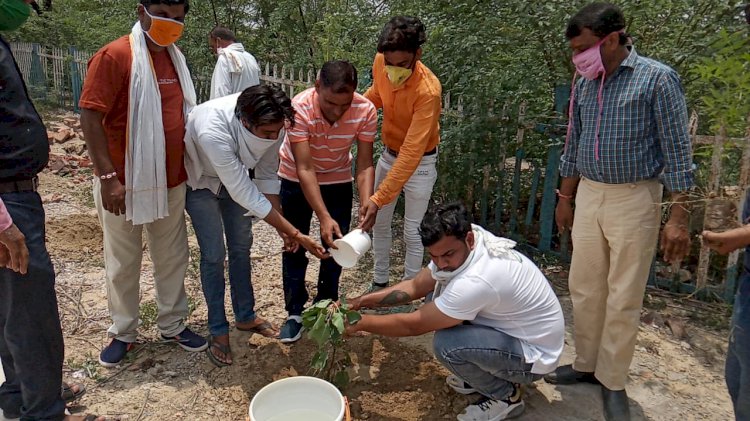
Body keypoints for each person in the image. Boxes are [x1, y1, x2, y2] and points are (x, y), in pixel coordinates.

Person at [545, 3, 693, 420]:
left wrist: (678, 216)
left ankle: (613, 381)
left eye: (584, 47)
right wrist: (566, 198)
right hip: (590, 193)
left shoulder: (656, 79)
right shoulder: (586, 82)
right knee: (585, 286)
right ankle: (587, 365)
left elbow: (678, 151)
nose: (578, 57)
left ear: (611, 39)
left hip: (635, 196)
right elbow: (573, 144)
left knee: (624, 294)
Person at [346, 202, 565, 421]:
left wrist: (360, 323)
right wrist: (361, 302)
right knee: (436, 298)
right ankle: (482, 372)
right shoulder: (467, 240)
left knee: (448, 346)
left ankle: (507, 397)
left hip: (533, 358)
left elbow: (413, 325)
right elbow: (416, 287)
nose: (441, 264)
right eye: (434, 257)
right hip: (515, 334)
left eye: (447, 255)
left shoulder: (478, 279)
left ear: (468, 240)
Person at [80, 0, 207, 368]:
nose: (171, 24)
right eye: (164, 14)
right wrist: (107, 178)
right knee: (122, 260)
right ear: (142, 11)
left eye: (179, 18)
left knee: (173, 257)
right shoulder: (116, 56)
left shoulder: (174, 58)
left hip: (170, 179)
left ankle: (172, 324)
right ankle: (123, 331)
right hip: (122, 183)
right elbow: (90, 114)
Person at [0, 1, 111, 420]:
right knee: (32, 313)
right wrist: (3, 221)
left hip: (14, 194)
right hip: (7, 201)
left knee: (10, 308)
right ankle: (44, 411)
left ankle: (21, 394)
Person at [183, 84, 327, 366]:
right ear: (244, 121)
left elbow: (265, 177)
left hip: (237, 182)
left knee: (241, 247)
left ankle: (245, 316)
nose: (273, 138)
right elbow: (244, 192)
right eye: (266, 134)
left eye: (277, 133)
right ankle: (217, 329)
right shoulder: (213, 128)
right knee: (213, 255)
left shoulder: (275, 124)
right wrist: (295, 232)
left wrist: (281, 229)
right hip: (200, 182)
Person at [276, 60, 378, 343]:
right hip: (295, 179)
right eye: (330, 103)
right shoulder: (298, 108)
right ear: (317, 86)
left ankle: (325, 305)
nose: (337, 112)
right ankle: (294, 312)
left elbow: (365, 164)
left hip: (338, 179)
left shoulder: (365, 110)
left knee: (337, 246)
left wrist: (368, 200)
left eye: (344, 105)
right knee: (295, 243)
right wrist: (322, 215)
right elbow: (305, 168)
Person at [359, 16, 442, 291]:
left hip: (420, 163)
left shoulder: (428, 92)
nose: (394, 71)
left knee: (412, 229)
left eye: (402, 65)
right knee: (378, 222)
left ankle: (408, 289)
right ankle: (380, 282)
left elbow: (412, 152)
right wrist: (350, 109)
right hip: (389, 154)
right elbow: (376, 96)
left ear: (417, 54)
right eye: (389, 64)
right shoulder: (381, 61)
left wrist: (378, 196)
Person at [208, 26, 261, 100]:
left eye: (213, 46)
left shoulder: (225, 58)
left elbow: (221, 93)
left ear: (218, 41)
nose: (213, 51)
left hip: (232, 109)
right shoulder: (250, 58)